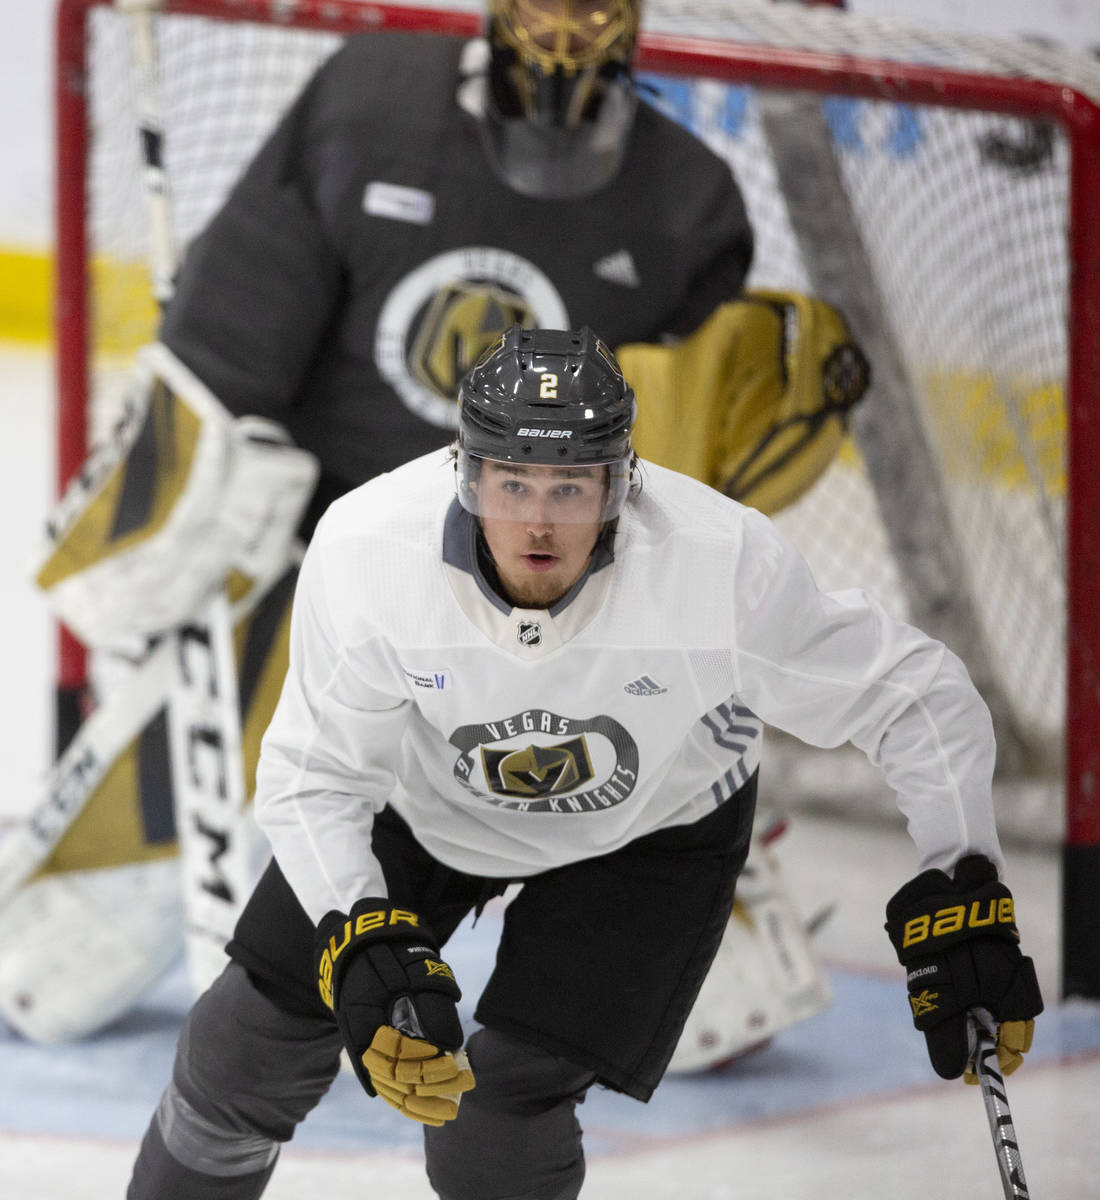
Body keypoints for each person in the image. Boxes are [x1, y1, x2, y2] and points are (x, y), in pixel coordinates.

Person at [8, 0, 864, 1048]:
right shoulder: (371, 104)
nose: (562, 31)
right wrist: (163, 513)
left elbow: (664, 482)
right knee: (41, 968)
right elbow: (223, 360)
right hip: (327, 582)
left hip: (543, 608)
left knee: (699, 1019)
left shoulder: (687, 199)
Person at [127, 325, 1041, 1200]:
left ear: (621, 486)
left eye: (570, 487)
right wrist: (358, 928)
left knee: (497, 1114)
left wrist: (962, 871)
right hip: (423, 805)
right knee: (241, 1050)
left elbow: (912, 693)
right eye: (511, 483)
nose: (537, 521)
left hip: (654, 831)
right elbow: (314, 777)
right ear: (466, 474)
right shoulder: (371, 552)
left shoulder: (716, 567)